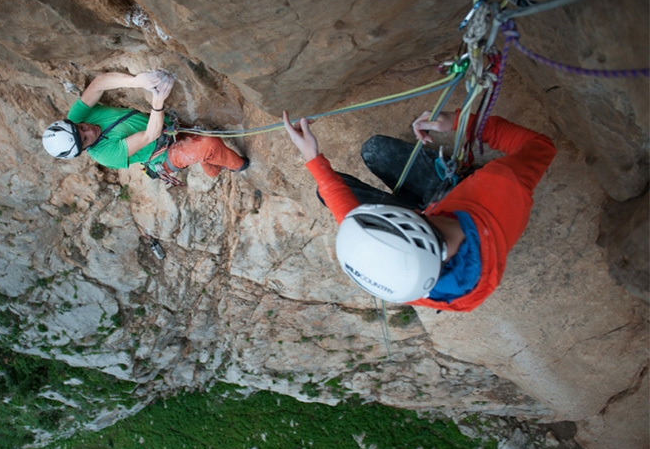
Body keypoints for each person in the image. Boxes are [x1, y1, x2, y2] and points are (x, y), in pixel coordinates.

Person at [283, 108, 556, 312]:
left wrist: (313, 157)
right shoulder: (502, 187)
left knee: (369, 154)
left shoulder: (410, 281)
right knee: (376, 150)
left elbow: (349, 218)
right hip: (467, 199)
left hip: (441, 219)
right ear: (414, 212)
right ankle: (454, 177)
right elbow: (540, 146)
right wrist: (463, 123)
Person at [42, 70, 249, 179]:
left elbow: (99, 83)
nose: (89, 130)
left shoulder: (77, 116)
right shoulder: (106, 155)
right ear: (85, 148)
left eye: (81, 128)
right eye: (86, 138)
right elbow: (149, 135)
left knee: (205, 149)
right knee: (208, 145)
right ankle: (239, 166)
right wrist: (158, 102)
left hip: (166, 127)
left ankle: (210, 163)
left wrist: (137, 81)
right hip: (163, 152)